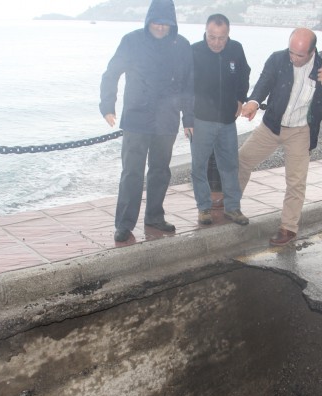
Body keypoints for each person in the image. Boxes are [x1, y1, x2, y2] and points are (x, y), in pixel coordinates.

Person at [99, 0, 194, 243]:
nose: (161, 27)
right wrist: (108, 106)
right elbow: (111, 73)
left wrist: (188, 118)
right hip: (136, 119)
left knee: (160, 172)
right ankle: (124, 223)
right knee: (132, 172)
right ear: (148, 20)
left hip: (167, 120)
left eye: (166, 23)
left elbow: (188, 85)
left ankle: (154, 216)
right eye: (156, 22)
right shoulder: (131, 41)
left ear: (173, 23)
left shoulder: (182, 45)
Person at [239, 28, 322, 246]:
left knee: (296, 181)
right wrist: (253, 103)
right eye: (291, 51)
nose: (293, 58)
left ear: (312, 51)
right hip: (272, 125)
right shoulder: (278, 59)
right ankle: (231, 204)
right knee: (241, 160)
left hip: (301, 131)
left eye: (300, 55)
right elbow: (263, 84)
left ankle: (288, 228)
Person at [190, 13, 250, 226]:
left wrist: (241, 98)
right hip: (201, 120)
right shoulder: (194, 50)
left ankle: (233, 208)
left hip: (227, 120)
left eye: (221, 38)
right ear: (206, 32)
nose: (216, 42)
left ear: (228, 35)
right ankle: (203, 208)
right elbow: (185, 87)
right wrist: (187, 118)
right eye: (211, 37)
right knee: (199, 166)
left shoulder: (236, 49)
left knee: (230, 166)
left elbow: (245, 73)